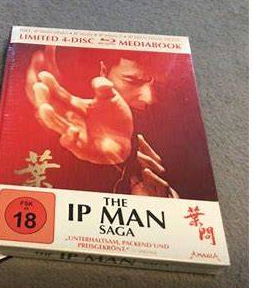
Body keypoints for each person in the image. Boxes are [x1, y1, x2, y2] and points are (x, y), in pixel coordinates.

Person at [25, 46, 179, 198]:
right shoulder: (67, 124)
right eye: (133, 81)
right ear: (103, 70)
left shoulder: (164, 125)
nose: (149, 98)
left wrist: (164, 198)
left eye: (158, 85)